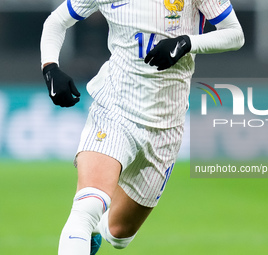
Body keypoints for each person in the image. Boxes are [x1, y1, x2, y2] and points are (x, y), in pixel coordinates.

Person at [40, 0, 244, 254]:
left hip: (166, 125)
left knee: (119, 234)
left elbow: (235, 34)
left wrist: (186, 43)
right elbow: (57, 21)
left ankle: (96, 228)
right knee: (87, 208)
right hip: (115, 110)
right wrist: (50, 66)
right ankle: (87, 223)